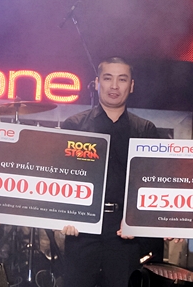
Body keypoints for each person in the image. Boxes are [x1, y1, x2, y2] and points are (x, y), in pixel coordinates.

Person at [60, 57, 160, 287]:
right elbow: (62, 176)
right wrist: (65, 215)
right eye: (107, 78)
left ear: (131, 86)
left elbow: (152, 183)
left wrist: (137, 219)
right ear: (97, 83)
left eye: (122, 79)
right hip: (81, 229)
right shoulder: (74, 126)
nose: (114, 86)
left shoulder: (145, 130)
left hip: (124, 232)